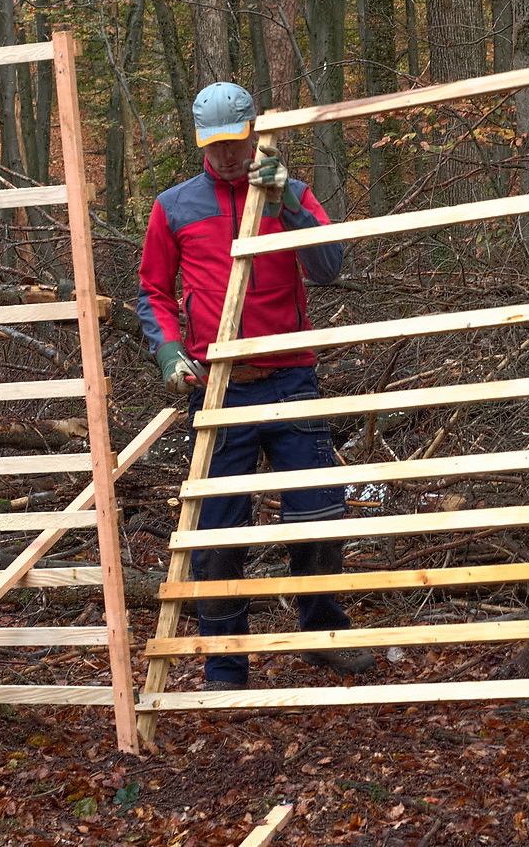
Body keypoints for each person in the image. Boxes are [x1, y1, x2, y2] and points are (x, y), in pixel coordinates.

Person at [137, 80, 374, 689]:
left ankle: (322, 634)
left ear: (253, 135)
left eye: (235, 144)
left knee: (317, 512)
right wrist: (168, 351)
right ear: (200, 143)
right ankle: (225, 661)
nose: (225, 157)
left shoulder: (288, 192)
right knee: (219, 525)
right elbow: (154, 291)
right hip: (219, 384)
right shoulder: (176, 206)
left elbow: (328, 268)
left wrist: (287, 204)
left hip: (291, 375)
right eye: (214, 147)